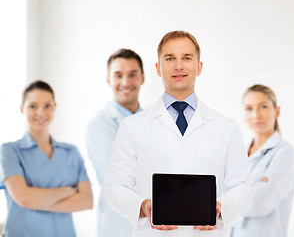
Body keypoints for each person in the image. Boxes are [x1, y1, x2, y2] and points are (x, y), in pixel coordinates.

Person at [105, 30, 254, 237]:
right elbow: (115, 186)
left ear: (199, 67)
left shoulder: (226, 128)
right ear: (158, 68)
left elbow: (243, 186)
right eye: (169, 58)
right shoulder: (133, 127)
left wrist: (221, 208)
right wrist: (143, 206)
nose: (178, 66)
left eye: (186, 58)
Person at [0, 80, 93, 237]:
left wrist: (35, 200)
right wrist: (67, 191)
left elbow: (86, 201)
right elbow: (24, 199)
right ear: (22, 109)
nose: (41, 113)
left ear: (55, 107)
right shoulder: (9, 151)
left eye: (47, 105)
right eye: (33, 106)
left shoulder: (71, 152)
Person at [86, 48, 145, 237]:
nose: (126, 82)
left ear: (142, 78)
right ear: (109, 80)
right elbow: (117, 176)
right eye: (118, 75)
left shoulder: (154, 121)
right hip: (117, 226)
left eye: (132, 75)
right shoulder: (99, 124)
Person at [228, 84, 294, 237]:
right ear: (244, 115)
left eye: (263, 107)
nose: (255, 115)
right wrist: (252, 188)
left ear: (276, 111)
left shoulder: (284, 152)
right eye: (249, 108)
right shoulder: (237, 153)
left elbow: (260, 201)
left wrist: (227, 199)